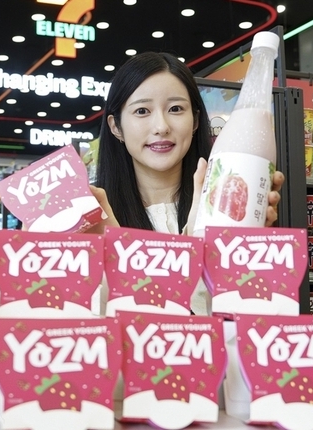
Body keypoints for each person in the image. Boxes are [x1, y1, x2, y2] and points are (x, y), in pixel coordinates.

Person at [89, 51, 284, 315]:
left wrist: (250, 246)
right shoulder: (93, 219)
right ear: (116, 127)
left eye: (176, 109)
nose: (161, 126)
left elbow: (251, 316)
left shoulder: (222, 206)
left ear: (195, 120)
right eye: (142, 111)